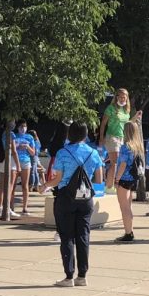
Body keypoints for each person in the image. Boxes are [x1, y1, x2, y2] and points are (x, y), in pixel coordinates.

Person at [40, 122, 104, 287]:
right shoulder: (93, 153)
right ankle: (82, 275)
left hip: (66, 198)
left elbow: (58, 179)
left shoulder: (63, 153)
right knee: (83, 236)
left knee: (66, 236)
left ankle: (69, 276)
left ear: (69, 134)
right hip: (85, 199)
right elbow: (99, 179)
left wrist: (45, 185)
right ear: (85, 134)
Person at [99, 89, 140, 192]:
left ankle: (112, 185)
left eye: (124, 97)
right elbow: (103, 123)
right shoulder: (111, 108)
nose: (122, 99)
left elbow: (128, 123)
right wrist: (101, 137)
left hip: (122, 138)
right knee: (115, 161)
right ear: (116, 97)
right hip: (112, 136)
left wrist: (136, 117)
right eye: (120, 97)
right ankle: (109, 186)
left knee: (119, 161)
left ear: (127, 98)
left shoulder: (126, 110)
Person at [113, 121, 145, 242]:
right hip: (132, 179)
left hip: (124, 178)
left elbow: (122, 164)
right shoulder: (138, 146)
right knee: (129, 206)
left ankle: (128, 233)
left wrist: (117, 179)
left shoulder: (125, 147)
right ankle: (129, 230)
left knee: (124, 207)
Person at [11, 119, 36, 215]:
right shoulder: (14, 136)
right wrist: (17, 146)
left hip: (26, 161)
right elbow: (11, 148)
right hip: (15, 161)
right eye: (21, 126)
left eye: (25, 126)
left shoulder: (29, 137)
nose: (23, 128)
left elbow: (33, 153)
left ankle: (25, 207)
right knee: (12, 185)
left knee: (25, 185)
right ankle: (11, 206)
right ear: (17, 127)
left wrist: (27, 147)